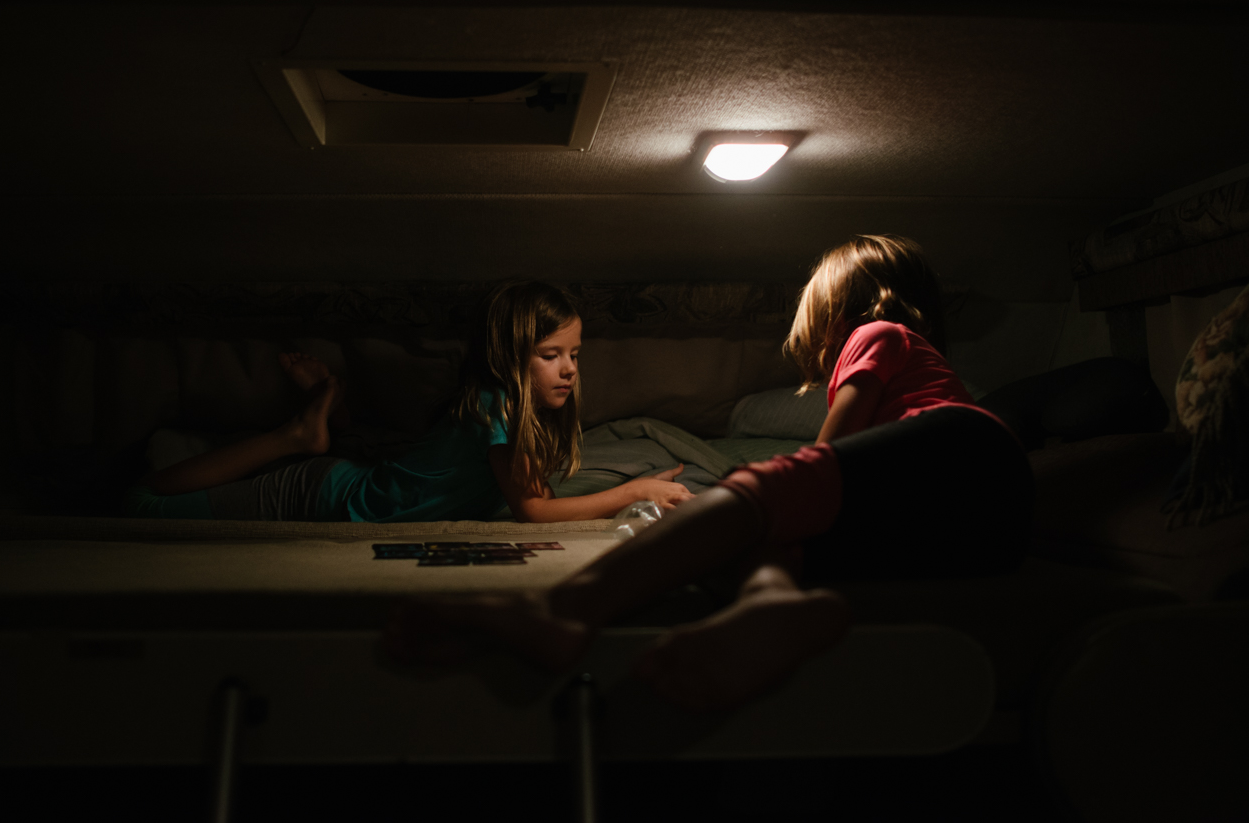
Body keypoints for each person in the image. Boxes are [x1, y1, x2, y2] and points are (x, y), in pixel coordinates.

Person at [387, 235, 1034, 710]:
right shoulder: (904, 374)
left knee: (761, 496)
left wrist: (752, 496)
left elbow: (823, 458)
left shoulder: (879, 332)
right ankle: (773, 601)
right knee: (778, 540)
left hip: (967, 455)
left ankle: (565, 608)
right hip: (981, 527)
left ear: (840, 312)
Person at [127, 281, 692, 523]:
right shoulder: (496, 404)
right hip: (326, 494)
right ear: (510, 354)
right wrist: (635, 490)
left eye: (574, 353)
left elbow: (533, 494)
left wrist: (635, 492)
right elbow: (534, 511)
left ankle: (324, 418)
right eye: (550, 354)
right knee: (143, 504)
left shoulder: (513, 412)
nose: (569, 368)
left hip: (352, 480)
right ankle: (298, 433)